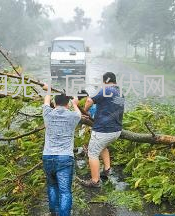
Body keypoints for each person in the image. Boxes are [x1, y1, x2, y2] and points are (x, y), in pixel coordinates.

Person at [41, 84, 81, 216]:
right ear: (68, 104)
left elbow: (46, 100)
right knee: (65, 191)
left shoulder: (47, 113)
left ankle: (54, 212)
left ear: (54, 102)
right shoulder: (73, 117)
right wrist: (75, 103)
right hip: (65, 157)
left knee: (52, 186)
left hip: (48, 156)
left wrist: (49, 89)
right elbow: (78, 112)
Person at [80, 72, 125, 188]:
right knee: (102, 146)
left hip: (104, 130)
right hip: (116, 130)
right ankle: (107, 169)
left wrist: (84, 111)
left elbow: (90, 101)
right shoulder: (120, 92)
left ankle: (95, 181)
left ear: (105, 81)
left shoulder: (106, 90)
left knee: (92, 153)